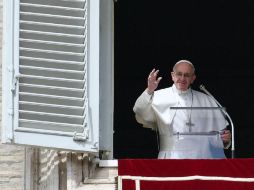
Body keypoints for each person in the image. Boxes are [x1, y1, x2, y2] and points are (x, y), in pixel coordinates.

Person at [133, 60, 231, 159]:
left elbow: (219, 136)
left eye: (187, 75)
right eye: (179, 74)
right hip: (171, 158)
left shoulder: (206, 99)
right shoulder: (159, 96)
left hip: (201, 157)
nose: (182, 78)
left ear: (193, 78)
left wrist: (224, 140)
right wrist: (149, 90)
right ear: (172, 75)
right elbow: (140, 111)